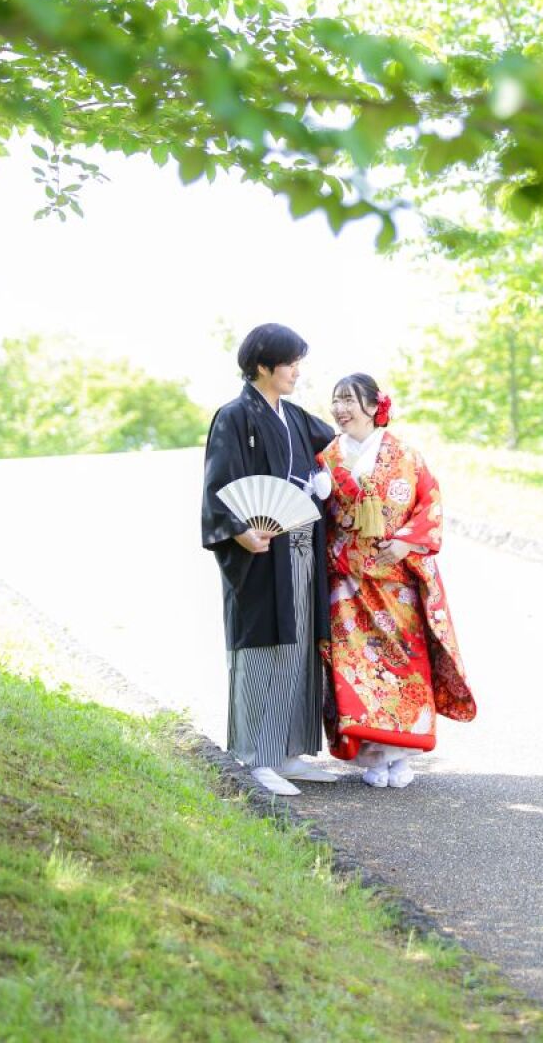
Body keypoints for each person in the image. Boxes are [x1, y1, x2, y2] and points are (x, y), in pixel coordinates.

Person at [318, 373, 476, 789]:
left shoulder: (405, 456)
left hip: (396, 582)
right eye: (336, 400)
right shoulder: (327, 458)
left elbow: (429, 504)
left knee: (402, 665)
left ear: (374, 406)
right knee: (356, 669)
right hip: (348, 583)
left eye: (349, 400)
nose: (340, 409)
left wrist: (406, 543)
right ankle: (372, 756)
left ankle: (401, 756)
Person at [201, 323, 337, 796]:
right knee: (264, 645)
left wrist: (323, 477)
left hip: (301, 546)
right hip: (260, 549)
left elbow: (332, 446)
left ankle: (288, 752)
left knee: (299, 647)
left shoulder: (294, 416)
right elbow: (219, 484)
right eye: (290, 363)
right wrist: (239, 532)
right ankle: (256, 756)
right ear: (263, 365)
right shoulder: (235, 416)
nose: (297, 372)